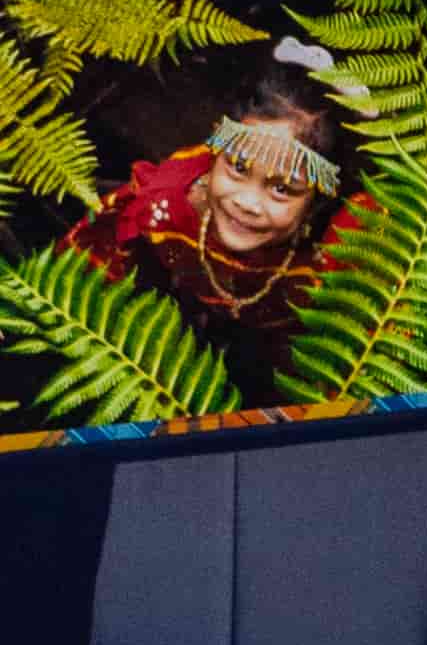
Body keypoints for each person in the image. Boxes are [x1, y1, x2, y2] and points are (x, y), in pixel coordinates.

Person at [80, 46, 364, 394]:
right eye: (238, 167)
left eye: (282, 189)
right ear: (216, 149)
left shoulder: (345, 252)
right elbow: (87, 274)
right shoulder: (166, 206)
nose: (246, 202)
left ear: (319, 199)